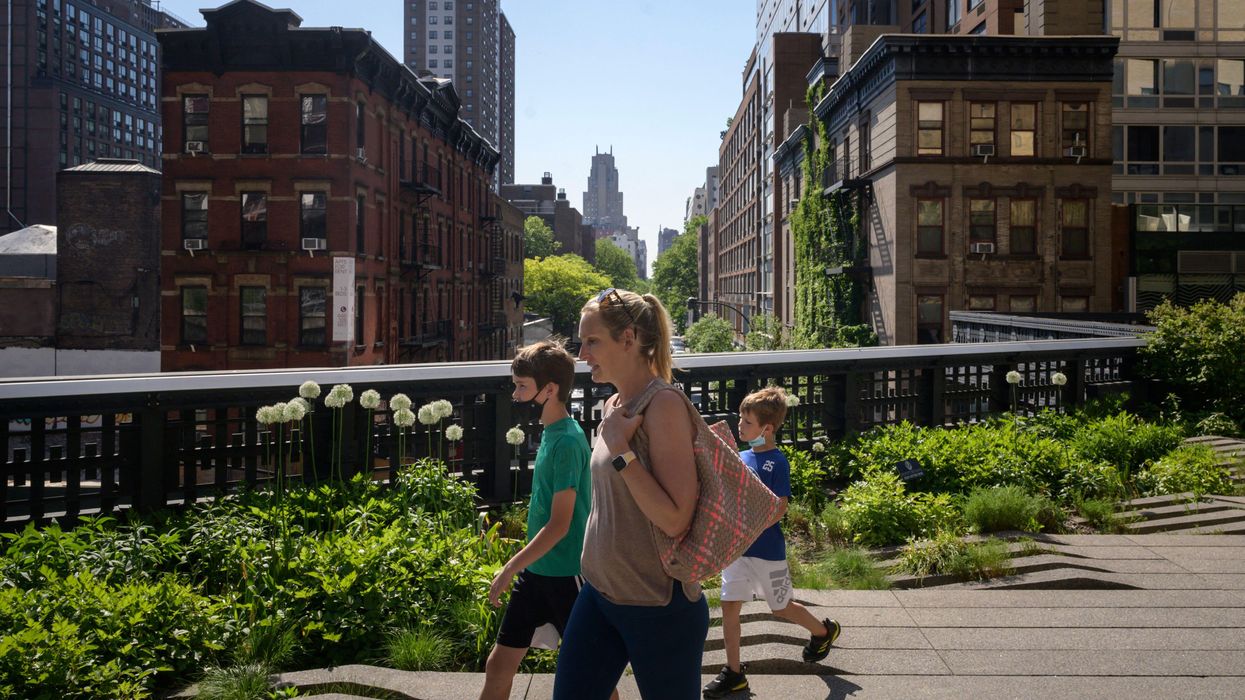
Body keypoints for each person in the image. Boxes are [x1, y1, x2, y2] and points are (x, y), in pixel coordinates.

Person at [551, 288, 709, 700]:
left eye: (592, 341)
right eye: (581, 341)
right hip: (599, 593)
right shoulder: (614, 405)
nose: (582, 353)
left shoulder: (664, 406)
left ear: (629, 339)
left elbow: (676, 518)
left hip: (657, 604)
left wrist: (620, 450)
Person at [480, 340, 617, 700]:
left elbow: (560, 525)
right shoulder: (552, 433)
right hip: (536, 574)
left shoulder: (569, 441)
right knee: (498, 666)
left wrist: (510, 566)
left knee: (594, 677)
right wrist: (522, 567)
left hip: (565, 575)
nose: (515, 394)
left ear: (550, 389)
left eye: (522, 386)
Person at [703, 386, 842, 699]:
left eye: (747, 421)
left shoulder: (776, 463)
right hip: (738, 551)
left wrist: (751, 527)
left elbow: (780, 508)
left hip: (767, 553)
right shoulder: (740, 456)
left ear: (767, 428)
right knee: (729, 607)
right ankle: (734, 672)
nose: (740, 425)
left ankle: (822, 631)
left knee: (780, 607)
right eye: (740, 418)